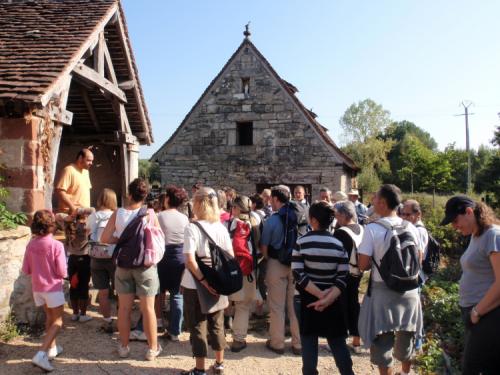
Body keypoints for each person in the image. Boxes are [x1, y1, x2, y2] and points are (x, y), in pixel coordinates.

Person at [357, 184, 423, 375]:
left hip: (383, 290)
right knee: (406, 335)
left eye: (375, 197)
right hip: (410, 291)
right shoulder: (411, 227)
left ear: (383, 203)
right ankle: (405, 372)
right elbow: (418, 259)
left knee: (381, 339)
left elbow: (363, 265)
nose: (373, 199)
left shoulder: (372, 229)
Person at [100, 178, 162, 361]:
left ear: (128, 194)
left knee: (124, 309)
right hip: (145, 265)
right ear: (145, 195)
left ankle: (124, 347)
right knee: (148, 309)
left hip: (123, 265)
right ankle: (152, 349)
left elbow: (104, 238)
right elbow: (158, 239)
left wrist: (121, 240)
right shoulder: (150, 213)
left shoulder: (118, 213)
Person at [292, 201, 354, 375]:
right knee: (337, 342)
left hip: (306, 299)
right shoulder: (338, 244)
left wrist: (319, 295)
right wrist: (327, 298)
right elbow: (343, 276)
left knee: (308, 342)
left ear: (312, 220)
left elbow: (298, 274)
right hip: (333, 300)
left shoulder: (302, 242)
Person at [440, 195, 500, 374]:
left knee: (472, 369)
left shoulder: (493, 235)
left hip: (488, 316)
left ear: (468, 212)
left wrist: (476, 312)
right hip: (478, 315)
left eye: (455, 220)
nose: (454, 226)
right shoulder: (477, 235)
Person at [181, 187, 234, 375]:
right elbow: (230, 257)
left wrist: (204, 281)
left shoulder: (192, 228)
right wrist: (215, 281)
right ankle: (219, 365)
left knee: (197, 325)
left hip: (194, 284)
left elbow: (189, 260)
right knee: (217, 324)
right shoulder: (221, 228)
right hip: (219, 282)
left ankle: (200, 369)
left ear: (197, 203)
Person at [22, 210, 67, 372]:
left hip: (38, 289)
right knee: (58, 321)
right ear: (52, 226)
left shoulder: (31, 244)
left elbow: (26, 269)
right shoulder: (57, 245)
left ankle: (52, 348)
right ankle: (41, 353)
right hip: (53, 288)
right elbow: (62, 271)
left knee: (49, 317)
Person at [260, 185, 301, 355]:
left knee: (277, 306)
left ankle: (277, 343)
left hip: (277, 263)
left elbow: (264, 248)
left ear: (276, 199)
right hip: (297, 265)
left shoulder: (272, 220)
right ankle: (298, 344)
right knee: (294, 306)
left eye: (271, 200)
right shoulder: (299, 216)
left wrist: (270, 260)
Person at [227, 195, 260, 353]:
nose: (231, 209)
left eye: (233, 207)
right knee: (242, 306)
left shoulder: (232, 224)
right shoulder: (255, 222)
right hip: (247, 271)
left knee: (226, 304)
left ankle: (218, 335)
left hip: (230, 269)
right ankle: (238, 340)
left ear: (238, 209)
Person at [157, 186, 189, 341]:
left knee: (158, 292)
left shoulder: (159, 216)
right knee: (177, 294)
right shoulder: (184, 218)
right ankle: (175, 330)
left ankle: (157, 322)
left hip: (163, 256)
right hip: (180, 257)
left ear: (168, 199)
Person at [333, 200, 364, 354]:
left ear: (344, 215)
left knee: (341, 306)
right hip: (358, 273)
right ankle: (356, 341)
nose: (336, 217)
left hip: (344, 274)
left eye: (338, 214)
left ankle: (340, 342)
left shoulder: (341, 232)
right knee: (354, 304)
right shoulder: (362, 229)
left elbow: (336, 256)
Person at [87, 188, 118, 333]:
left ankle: (107, 320)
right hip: (113, 257)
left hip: (96, 257)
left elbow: (88, 233)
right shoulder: (116, 215)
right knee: (121, 291)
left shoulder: (93, 216)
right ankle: (122, 317)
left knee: (103, 292)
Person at [65, 208, 94, 323]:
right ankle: (83, 314)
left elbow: (59, 216)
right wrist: (81, 210)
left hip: (72, 258)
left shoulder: (69, 226)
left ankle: (74, 313)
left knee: (73, 285)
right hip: (84, 258)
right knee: (83, 286)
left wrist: (73, 213)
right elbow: (93, 210)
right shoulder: (87, 226)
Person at [54, 148, 93, 214]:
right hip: (70, 215)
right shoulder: (69, 170)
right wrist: (73, 208)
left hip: (84, 215)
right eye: (89, 160)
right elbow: (60, 191)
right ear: (80, 158)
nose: (91, 163)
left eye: (92, 161)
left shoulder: (86, 172)